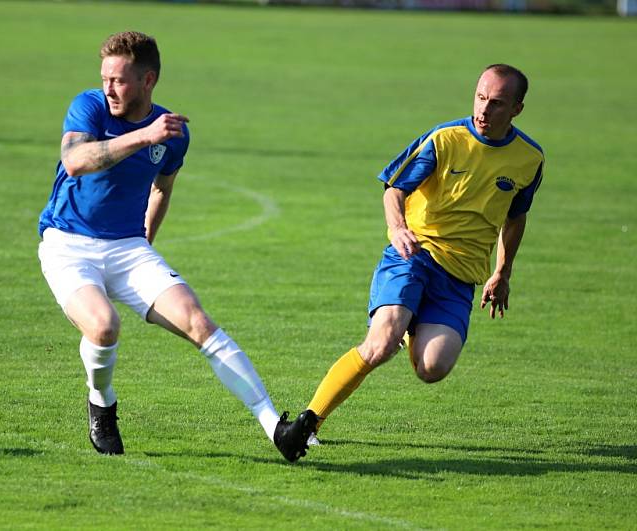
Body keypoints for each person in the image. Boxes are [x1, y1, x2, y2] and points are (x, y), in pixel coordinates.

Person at [38, 31, 297, 458]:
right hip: (68, 244)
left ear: (148, 80)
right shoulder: (89, 107)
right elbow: (76, 161)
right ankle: (101, 404)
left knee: (199, 322)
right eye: (104, 78)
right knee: (103, 326)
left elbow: (162, 189)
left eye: (119, 80)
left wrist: (144, 248)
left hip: (127, 248)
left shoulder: (174, 135)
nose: (109, 89)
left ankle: (276, 428)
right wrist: (143, 137)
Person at [275, 64, 545, 461]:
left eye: (497, 103)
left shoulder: (529, 158)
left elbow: (516, 216)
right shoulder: (445, 138)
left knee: (432, 367)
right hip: (414, 255)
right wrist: (398, 228)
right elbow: (393, 187)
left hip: (460, 278)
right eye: (480, 97)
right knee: (380, 343)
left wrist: (502, 272)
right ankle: (306, 423)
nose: (484, 110)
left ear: (517, 109)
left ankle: (407, 324)